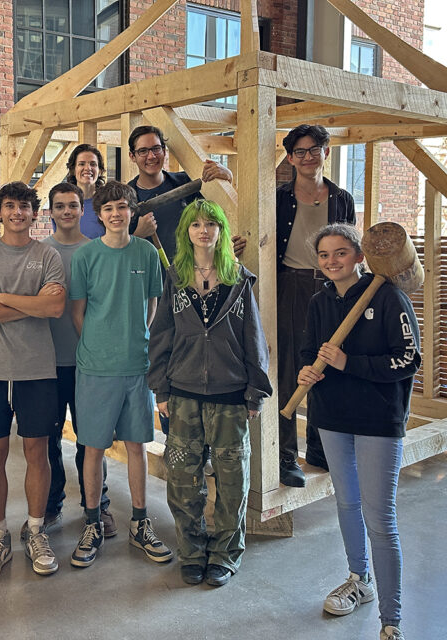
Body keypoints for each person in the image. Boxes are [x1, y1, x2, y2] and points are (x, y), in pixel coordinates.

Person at [296, 224, 419, 640]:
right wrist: (307, 368)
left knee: (380, 518)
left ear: (359, 256)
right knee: (347, 503)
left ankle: (392, 619)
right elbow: (308, 348)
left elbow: (408, 360)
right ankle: (358, 579)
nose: (333, 261)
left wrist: (351, 363)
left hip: (378, 420)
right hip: (331, 416)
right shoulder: (318, 302)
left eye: (341, 253)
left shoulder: (389, 298)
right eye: (325, 255)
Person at [148, 199, 272, 588]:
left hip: (231, 396)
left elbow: (255, 338)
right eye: (196, 224)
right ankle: (192, 550)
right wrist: (161, 388)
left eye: (211, 224)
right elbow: (161, 334)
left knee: (232, 482)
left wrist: (255, 390)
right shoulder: (176, 276)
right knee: (183, 480)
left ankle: (225, 553)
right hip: (182, 394)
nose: (204, 230)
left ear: (220, 231)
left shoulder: (238, 278)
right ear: (186, 231)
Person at [0, 181, 66, 582]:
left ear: (34, 213)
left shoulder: (48, 255)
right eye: (10, 206)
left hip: (37, 370)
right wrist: (31, 305)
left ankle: (36, 531)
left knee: (38, 452)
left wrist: (2, 297)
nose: (17, 213)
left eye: (25, 207)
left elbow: (55, 306)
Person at [68, 180, 172, 568]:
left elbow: (152, 303)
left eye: (123, 208)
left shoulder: (146, 253)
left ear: (132, 212)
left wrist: (136, 342)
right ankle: (93, 523)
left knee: (136, 447)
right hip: (96, 368)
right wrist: (100, 345)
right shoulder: (85, 256)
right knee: (93, 449)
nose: (116, 214)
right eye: (108, 208)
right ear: (99, 214)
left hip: (137, 368)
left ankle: (141, 524)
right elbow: (77, 312)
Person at [276, 124, 357, 487]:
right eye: (300, 152)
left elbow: (352, 245)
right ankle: (285, 455)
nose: (308, 158)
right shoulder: (278, 196)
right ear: (291, 158)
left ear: (327, 152)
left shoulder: (341, 198)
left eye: (315, 150)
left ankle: (322, 449)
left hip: (330, 287)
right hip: (290, 285)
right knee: (292, 366)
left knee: (328, 364)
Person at [42, 181, 116, 537]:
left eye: (73, 205)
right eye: (60, 206)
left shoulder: (98, 250)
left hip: (90, 363)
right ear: (51, 212)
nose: (67, 211)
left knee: (92, 439)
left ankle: (98, 505)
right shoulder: (40, 252)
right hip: (48, 362)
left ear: (82, 210)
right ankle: (52, 503)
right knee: (50, 439)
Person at [127, 125, 233, 262]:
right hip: (145, 277)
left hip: (190, 276)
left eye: (156, 148)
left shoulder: (187, 183)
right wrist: (138, 235)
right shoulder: (125, 197)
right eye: (143, 151)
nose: (151, 156)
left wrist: (227, 177)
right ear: (132, 156)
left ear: (164, 151)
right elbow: (115, 250)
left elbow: (218, 213)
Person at [65, 143, 106, 238]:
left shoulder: (107, 203)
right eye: (81, 164)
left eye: (93, 164)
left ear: (100, 170)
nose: (88, 168)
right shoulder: (63, 204)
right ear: (73, 170)